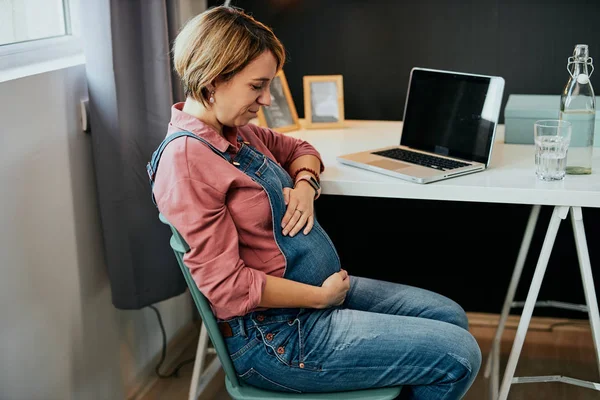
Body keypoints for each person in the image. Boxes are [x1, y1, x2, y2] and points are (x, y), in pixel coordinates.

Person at [148, 5, 481, 399]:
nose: (267, 99)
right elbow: (227, 287)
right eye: (257, 86)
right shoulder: (188, 161)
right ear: (215, 78)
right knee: (458, 354)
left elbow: (299, 148)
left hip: (313, 296)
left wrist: (305, 184)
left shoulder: (236, 132)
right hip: (279, 337)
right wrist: (320, 299)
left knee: (449, 316)